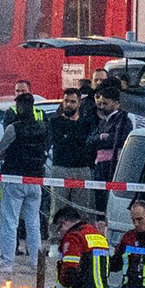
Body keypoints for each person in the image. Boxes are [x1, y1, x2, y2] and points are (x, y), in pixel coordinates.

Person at [0, 93, 49, 275]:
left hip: (15, 179)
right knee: (33, 223)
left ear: (18, 107)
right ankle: (36, 261)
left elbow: (0, 150)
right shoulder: (42, 127)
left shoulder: (13, 128)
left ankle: (7, 262)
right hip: (35, 179)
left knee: (10, 222)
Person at [86, 79, 133, 215]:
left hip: (113, 165)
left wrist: (104, 139)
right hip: (100, 166)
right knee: (99, 202)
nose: (102, 107)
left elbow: (118, 140)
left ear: (116, 103)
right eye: (100, 103)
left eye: (106, 103)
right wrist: (101, 137)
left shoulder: (123, 120)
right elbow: (90, 140)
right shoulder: (103, 122)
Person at [47, 87, 95, 216]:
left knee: (82, 210)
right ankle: (55, 236)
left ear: (79, 103)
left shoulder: (87, 123)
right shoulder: (54, 122)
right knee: (57, 209)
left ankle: (80, 235)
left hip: (81, 169)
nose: (68, 104)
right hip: (60, 168)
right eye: (66, 101)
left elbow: (90, 144)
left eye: (73, 102)